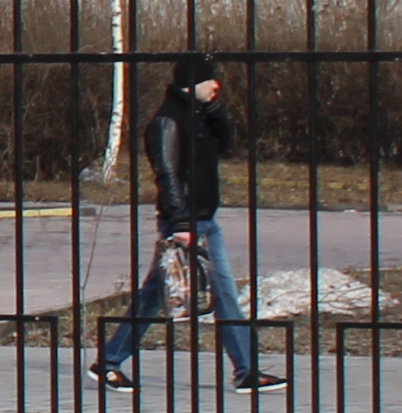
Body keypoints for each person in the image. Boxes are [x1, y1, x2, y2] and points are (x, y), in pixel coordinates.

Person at [93, 57, 276, 391]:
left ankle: (246, 370)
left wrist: (216, 110)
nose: (217, 85)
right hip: (186, 224)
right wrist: (180, 222)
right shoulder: (167, 122)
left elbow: (225, 145)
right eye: (211, 81)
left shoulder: (197, 116)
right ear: (194, 83)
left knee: (211, 293)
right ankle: (109, 362)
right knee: (164, 295)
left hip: (205, 221)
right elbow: (168, 175)